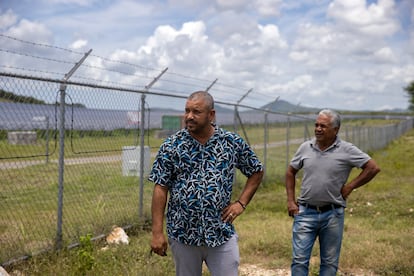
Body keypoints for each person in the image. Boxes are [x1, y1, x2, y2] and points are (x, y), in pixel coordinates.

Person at [149, 91, 264, 276]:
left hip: (220, 233)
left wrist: (241, 203)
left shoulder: (230, 143)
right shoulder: (172, 145)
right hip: (183, 235)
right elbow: (160, 187)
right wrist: (157, 232)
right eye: (187, 111)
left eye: (196, 112)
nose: (189, 116)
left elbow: (256, 170)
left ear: (211, 115)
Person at [285, 109, 380, 276]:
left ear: (336, 130)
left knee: (329, 263)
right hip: (305, 212)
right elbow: (290, 172)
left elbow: (372, 168)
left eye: (323, 126)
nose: (318, 129)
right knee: (299, 260)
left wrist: (350, 186)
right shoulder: (305, 148)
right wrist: (291, 202)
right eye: (316, 125)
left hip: (333, 214)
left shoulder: (347, 150)